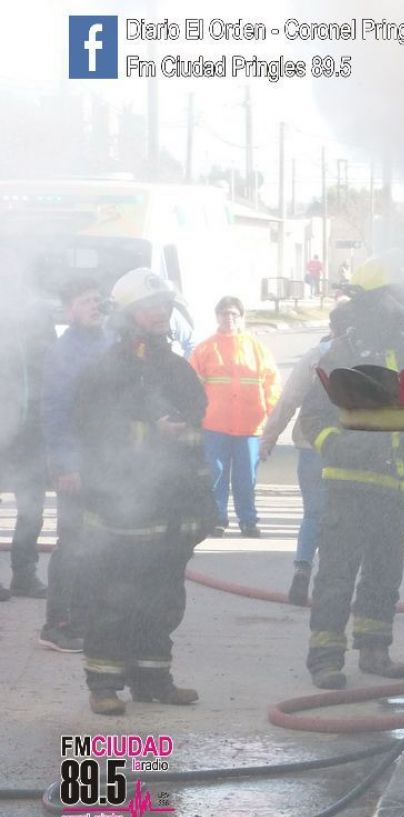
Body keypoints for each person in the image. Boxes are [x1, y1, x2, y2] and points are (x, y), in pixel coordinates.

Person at [75, 267, 213, 715]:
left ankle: (153, 680)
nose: (162, 312)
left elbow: (195, 435)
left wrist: (201, 506)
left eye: (165, 304)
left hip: (170, 508)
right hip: (122, 509)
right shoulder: (107, 369)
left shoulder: (175, 368)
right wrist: (152, 432)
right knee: (114, 597)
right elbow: (97, 433)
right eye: (151, 306)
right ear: (130, 315)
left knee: (162, 599)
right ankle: (104, 684)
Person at [297, 257, 404, 689]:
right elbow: (311, 419)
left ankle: (375, 650)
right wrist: (338, 445)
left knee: (385, 575)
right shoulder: (345, 354)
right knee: (337, 574)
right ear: (376, 301)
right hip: (350, 488)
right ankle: (325, 658)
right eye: (397, 293)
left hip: (398, 488)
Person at [39, 278, 112, 652]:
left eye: (98, 299)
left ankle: (85, 618)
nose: (95, 306)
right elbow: (55, 413)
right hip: (75, 464)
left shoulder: (108, 343)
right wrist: (66, 465)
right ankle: (58, 623)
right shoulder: (64, 353)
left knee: (97, 541)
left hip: (104, 463)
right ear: (70, 311)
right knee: (73, 543)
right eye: (86, 301)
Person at [259, 314, 346, 606]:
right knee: (345, 517)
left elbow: (288, 401)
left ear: (331, 328)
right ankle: (333, 582)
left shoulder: (314, 357)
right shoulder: (364, 355)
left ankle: (302, 570)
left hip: (311, 446)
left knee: (313, 513)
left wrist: (268, 439)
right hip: (349, 449)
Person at [189, 296, 280, 538]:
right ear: (217, 317)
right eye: (224, 314)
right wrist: (193, 420)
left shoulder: (257, 349)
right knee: (215, 475)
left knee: (246, 478)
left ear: (241, 318)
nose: (229, 319)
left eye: (234, 315)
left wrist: (273, 422)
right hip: (214, 425)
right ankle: (217, 519)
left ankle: (248, 521)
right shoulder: (205, 349)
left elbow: (272, 386)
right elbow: (191, 389)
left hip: (250, 427)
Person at [0, 282, 57, 603]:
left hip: (32, 435)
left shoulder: (41, 325)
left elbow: (53, 374)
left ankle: (24, 573)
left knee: (33, 509)